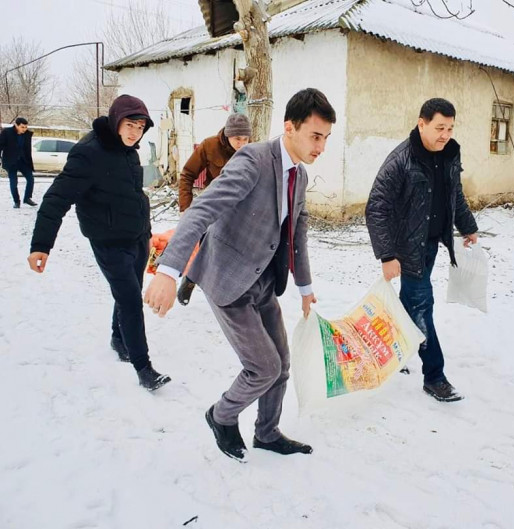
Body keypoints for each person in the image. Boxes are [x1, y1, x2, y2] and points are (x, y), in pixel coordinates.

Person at [144, 88, 336, 461]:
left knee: (281, 365)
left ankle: (267, 433)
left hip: (264, 280)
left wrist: (305, 287)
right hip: (229, 278)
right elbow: (202, 210)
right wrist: (168, 270)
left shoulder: (299, 175)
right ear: (290, 128)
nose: (321, 147)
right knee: (263, 367)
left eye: (326, 138)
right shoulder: (252, 160)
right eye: (316, 136)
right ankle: (222, 415)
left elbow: (297, 232)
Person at [27, 94, 171, 392]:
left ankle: (118, 339)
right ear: (116, 121)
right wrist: (41, 245)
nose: (135, 132)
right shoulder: (88, 153)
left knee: (129, 292)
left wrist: (146, 230)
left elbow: (135, 195)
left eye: (140, 127)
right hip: (108, 241)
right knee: (130, 300)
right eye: (130, 125)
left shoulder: (129, 150)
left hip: (137, 237)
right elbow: (56, 199)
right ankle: (143, 368)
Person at [365, 97, 479, 403]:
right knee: (421, 305)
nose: (445, 135)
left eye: (450, 128)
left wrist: (467, 225)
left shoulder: (450, 153)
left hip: (430, 242)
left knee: (409, 303)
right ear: (421, 124)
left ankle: (395, 352)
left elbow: (454, 193)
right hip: (406, 247)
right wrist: (387, 255)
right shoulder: (401, 159)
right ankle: (434, 377)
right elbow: (376, 207)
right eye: (440, 128)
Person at [176, 113, 252, 305]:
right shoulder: (209, 146)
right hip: (215, 207)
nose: (242, 144)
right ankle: (191, 279)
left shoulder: (252, 150)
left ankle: (232, 293)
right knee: (208, 250)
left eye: (246, 139)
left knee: (237, 254)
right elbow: (187, 174)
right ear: (227, 135)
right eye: (237, 139)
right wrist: (186, 208)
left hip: (241, 210)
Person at [0, 117, 37, 208]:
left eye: (26, 127)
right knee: (13, 183)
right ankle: (16, 201)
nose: (24, 129)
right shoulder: (7, 132)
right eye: (22, 127)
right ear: (16, 125)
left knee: (31, 179)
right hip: (11, 161)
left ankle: (27, 198)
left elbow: (27, 150)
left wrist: (29, 161)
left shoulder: (27, 134)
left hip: (23, 161)